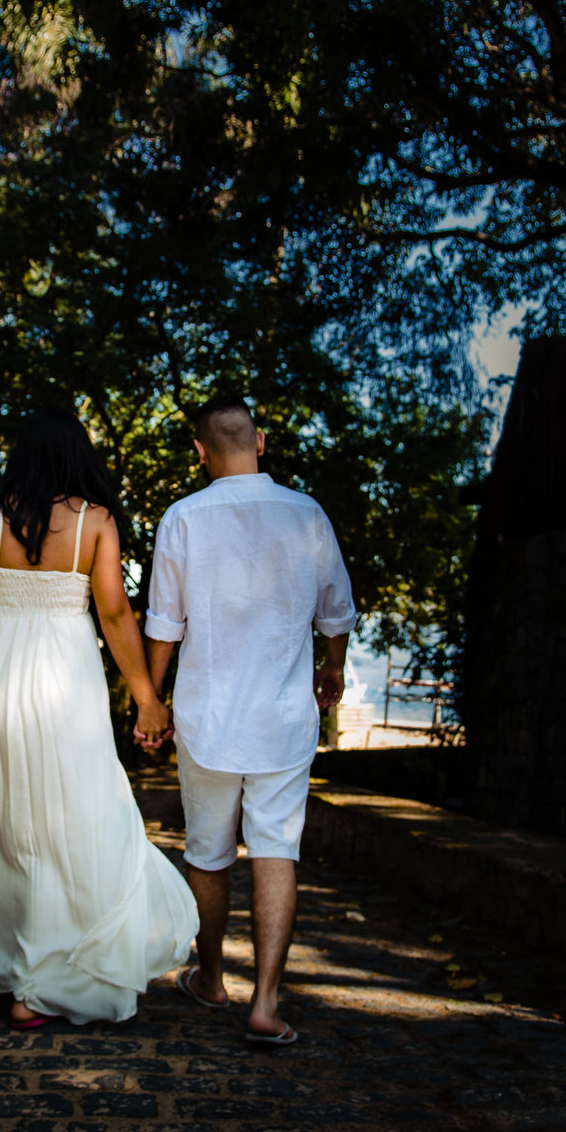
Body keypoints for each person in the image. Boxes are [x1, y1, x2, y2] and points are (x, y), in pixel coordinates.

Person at [0, 406, 199, 1028]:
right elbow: (115, 614)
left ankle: (14, 962)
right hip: (65, 671)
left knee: (5, 814)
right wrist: (146, 697)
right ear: (76, 455)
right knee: (78, 811)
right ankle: (44, 978)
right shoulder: (96, 522)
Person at [144, 393, 356, 1046]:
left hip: (207, 716)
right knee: (276, 849)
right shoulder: (307, 514)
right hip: (285, 716)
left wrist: (149, 699)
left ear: (200, 452)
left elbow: (163, 625)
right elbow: (337, 612)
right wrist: (333, 670)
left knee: (207, 854)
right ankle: (265, 1002)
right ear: (259, 441)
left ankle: (211, 978)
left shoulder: (181, 518)